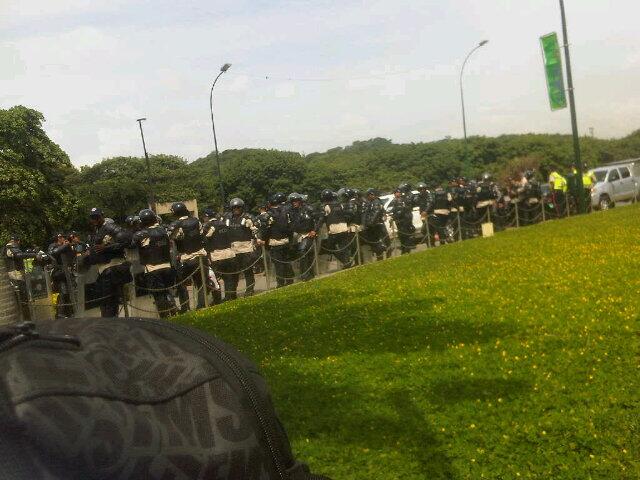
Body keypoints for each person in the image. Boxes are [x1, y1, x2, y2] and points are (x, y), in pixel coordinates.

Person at [82, 208, 132, 317]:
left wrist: (107, 248)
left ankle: (111, 325)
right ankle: (110, 324)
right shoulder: (96, 231)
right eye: (92, 217)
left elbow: (127, 239)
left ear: (101, 216)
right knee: (105, 301)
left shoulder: (110, 227)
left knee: (109, 302)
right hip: (102, 269)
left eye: (96, 217)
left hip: (112, 268)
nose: (94, 219)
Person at [130, 209, 178, 318]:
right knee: (167, 290)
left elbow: (132, 245)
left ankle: (164, 315)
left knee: (158, 295)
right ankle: (173, 309)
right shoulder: (163, 230)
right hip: (167, 265)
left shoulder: (141, 234)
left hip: (152, 268)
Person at [169, 202, 207, 312]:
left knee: (181, 284)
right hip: (199, 255)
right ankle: (202, 305)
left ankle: (185, 308)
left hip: (185, 257)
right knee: (201, 282)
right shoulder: (196, 221)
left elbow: (172, 237)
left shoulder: (176, 224)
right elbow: (201, 234)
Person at [258, 193, 295, 287]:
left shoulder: (269, 215)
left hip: (275, 242)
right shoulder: (286, 212)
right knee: (286, 262)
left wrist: (265, 243)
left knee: (278, 264)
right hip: (286, 240)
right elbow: (290, 228)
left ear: (270, 204)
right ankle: (290, 280)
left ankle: (281, 282)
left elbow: (265, 230)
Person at [202, 209, 237, 302]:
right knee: (229, 277)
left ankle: (217, 299)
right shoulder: (223, 223)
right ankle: (230, 296)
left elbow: (205, 239)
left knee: (215, 278)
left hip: (216, 255)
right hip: (229, 253)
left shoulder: (208, 226)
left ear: (207, 217)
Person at [225, 198, 257, 296]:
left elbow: (255, 230)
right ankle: (232, 293)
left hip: (246, 247)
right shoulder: (228, 219)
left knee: (248, 270)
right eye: (234, 207)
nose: (236, 209)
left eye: (238, 207)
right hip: (233, 248)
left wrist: (256, 239)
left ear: (242, 208)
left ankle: (250, 290)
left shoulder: (248, 218)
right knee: (234, 272)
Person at [3, 235, 36, 320]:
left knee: (22, 298)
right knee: (22, 298)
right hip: (15, 275)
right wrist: (34, 254)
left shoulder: (8, 248)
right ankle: (26, 320)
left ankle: (26, 319)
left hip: (15, 274)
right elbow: (19, 255)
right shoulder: (10, 247)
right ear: (16, 241)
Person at [320, 189, 353, 268]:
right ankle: (347, 262)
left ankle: (345, 262)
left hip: (334, 230)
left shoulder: (326, 206)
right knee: (343, 247)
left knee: (330, 248)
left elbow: (323, 218)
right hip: (344, 227)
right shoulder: (340, 205)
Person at [289, 193, 319, 280]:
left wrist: (314, 230)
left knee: (303, 252)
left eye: (296, 201)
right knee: (305, 254)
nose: (294, 203)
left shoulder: (308, 209)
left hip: (308, 233)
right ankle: (308, 274)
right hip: (298, 235)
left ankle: (305, 274)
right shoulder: (292, 211)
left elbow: (319, 218)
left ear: (300, 201)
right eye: (292, 201)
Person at [46, 233, 77, 318]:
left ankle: (69, 312)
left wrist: (69, 247)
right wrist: (65, 246)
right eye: (62, 237)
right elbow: (52, 253)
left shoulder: (64, 245)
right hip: (58, 272)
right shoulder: (53, 245)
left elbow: (72, 257)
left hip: (66, 272)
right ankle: (61, 314)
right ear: (58, 238)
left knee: (67, 292)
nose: (63, 239)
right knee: (63, 292)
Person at [362, 188, 390, 261]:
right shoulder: (373, 202)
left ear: (372, 194)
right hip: (376, 225)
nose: (367, 197)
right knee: (378, 243)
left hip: (377, 225)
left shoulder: (376, 202)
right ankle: (380, 257)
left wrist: (370, 223)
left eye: (368, 195)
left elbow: (376, 213)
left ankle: (383, 255)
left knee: (379, 242)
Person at [387, 184, 415, 254]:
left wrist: (396, 214)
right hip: (398, 221)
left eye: (399, 192)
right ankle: (404, 248)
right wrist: (393, 214)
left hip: (405, 219)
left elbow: (407, 208)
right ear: (394, 193)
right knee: (401, 235)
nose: (398, 193)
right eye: (396, 192)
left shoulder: (404, 199)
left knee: (406, 234)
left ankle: (407, 249)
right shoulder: (393, 201)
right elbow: (388, 209)